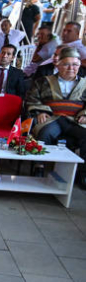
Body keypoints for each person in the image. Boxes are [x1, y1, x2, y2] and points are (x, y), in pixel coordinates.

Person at [26, 47, 86, 189]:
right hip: (52, 118)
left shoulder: (85, 83)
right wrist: (40, 111)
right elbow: (32, 98)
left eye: (75, 64)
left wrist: (85, 114)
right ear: (58, 65)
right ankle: (39, 167)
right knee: (44, 133)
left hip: (74, 120)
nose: (71, 68)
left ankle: (82, 173)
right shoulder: (43, 81)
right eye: (66, 64)